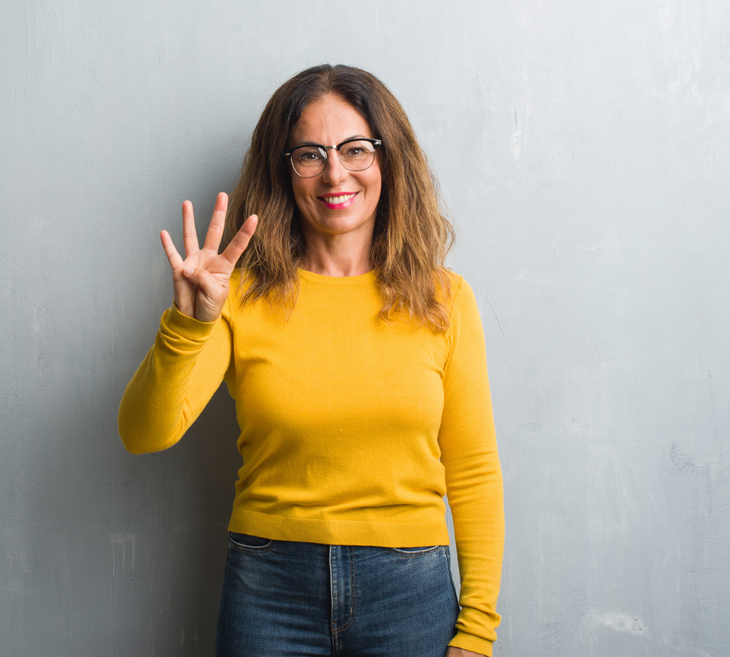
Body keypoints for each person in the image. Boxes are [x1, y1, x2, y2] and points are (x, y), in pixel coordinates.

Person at [117, 64, 504, 657]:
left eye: (355, 149)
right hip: (267, 588)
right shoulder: (238, 297)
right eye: (309, 154)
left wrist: (477, 633)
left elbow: (473, 472)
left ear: (388, 158)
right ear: (284, 170)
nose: (334, 173)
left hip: (410, 591)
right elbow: (143, 433)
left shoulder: (445, 299)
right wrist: (189, 325)